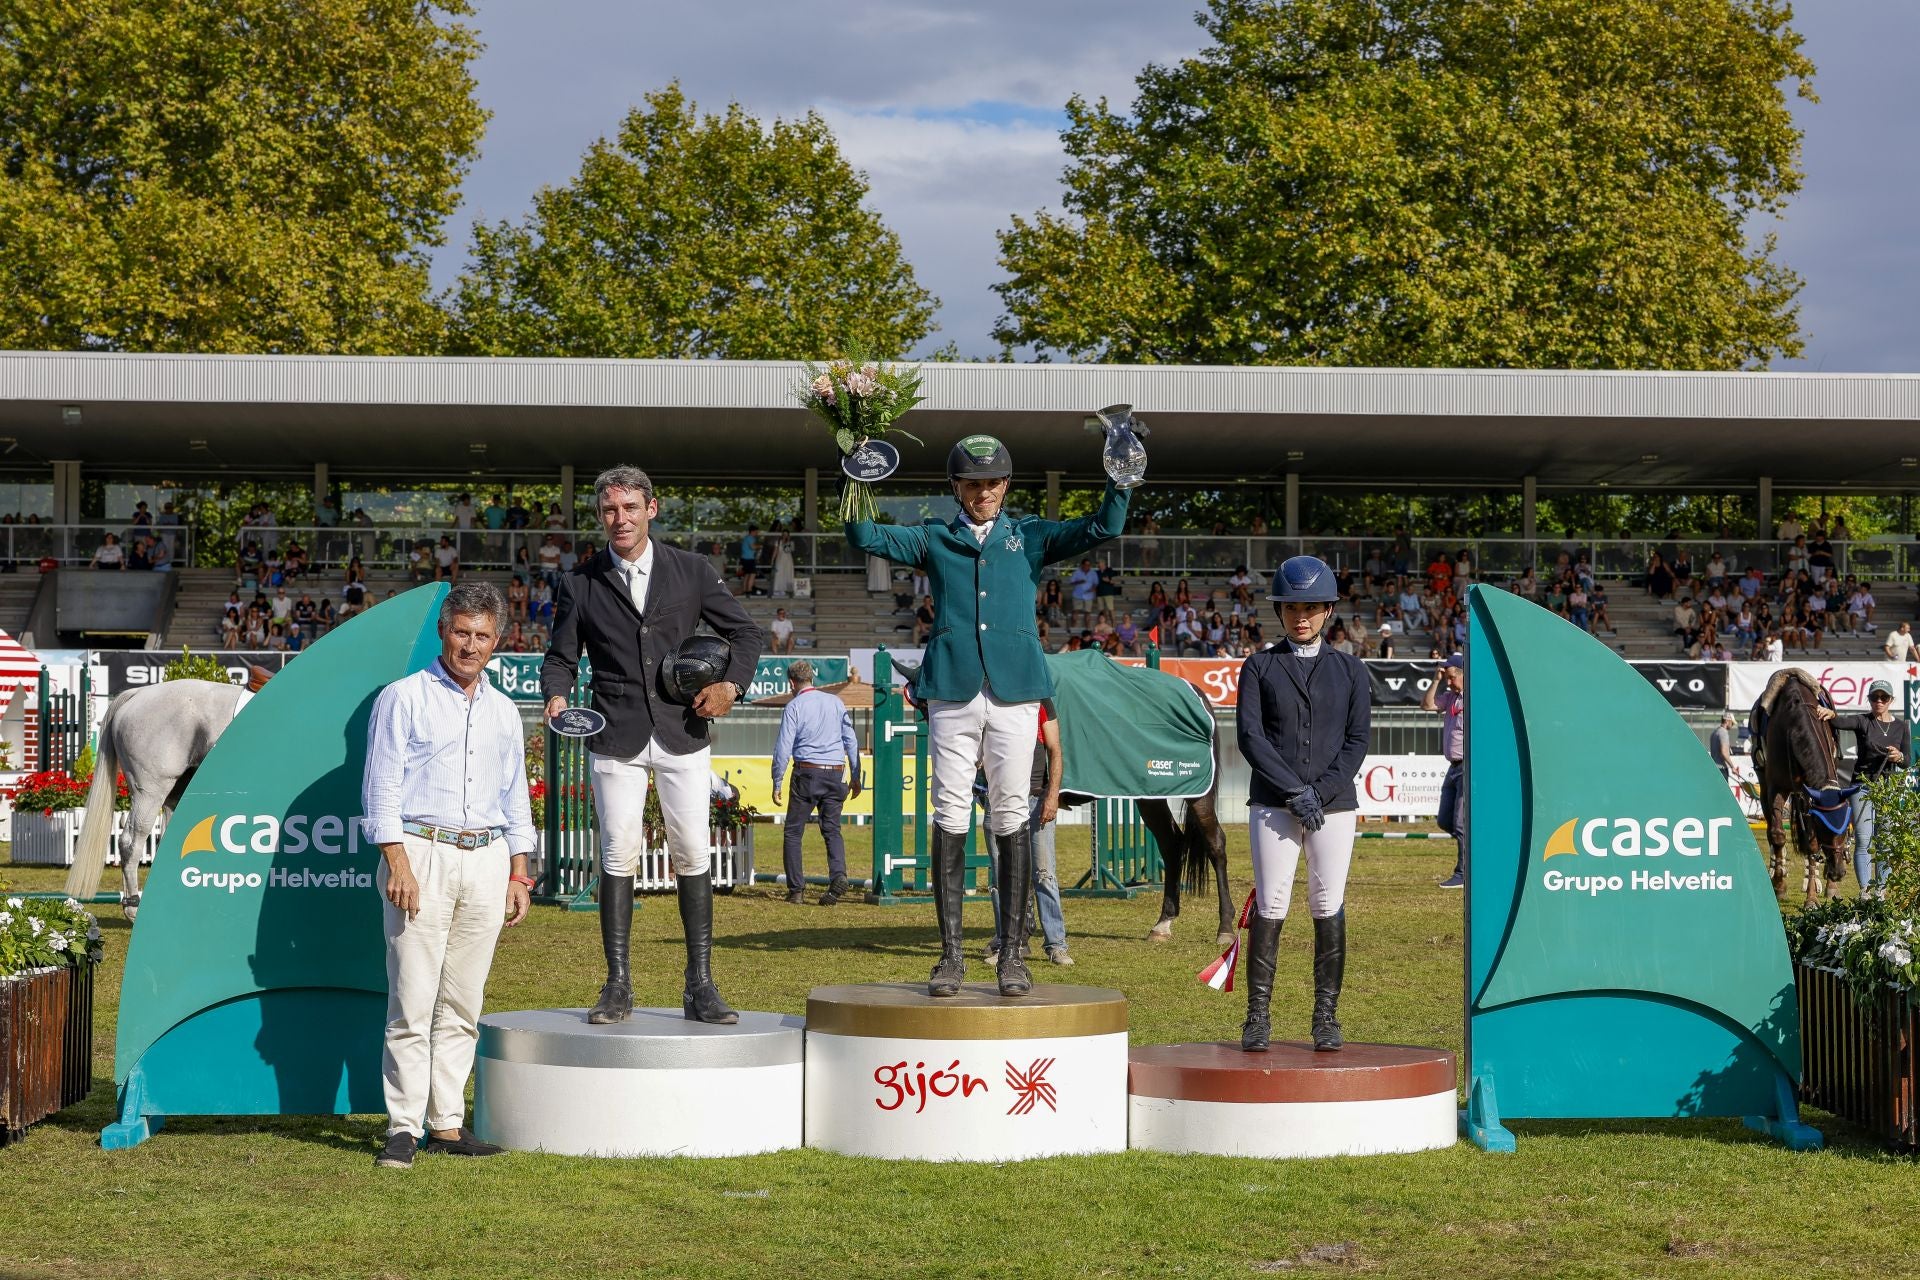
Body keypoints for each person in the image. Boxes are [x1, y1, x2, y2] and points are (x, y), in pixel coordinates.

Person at [845, 432, 1129, 999]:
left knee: (1009, 813)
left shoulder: (1031, 535)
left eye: (993, 483)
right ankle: (951, 957)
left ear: (1006, 485)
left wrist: (1120, 480)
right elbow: (863, 534)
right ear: (956, 487)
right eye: (973, 484)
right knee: (949, 810)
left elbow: (1104, 528)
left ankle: (1014, 956)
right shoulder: (933, 537)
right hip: (952, 687)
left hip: (1017, 690)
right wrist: (852, 472)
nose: (983, 492)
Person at [541, 465, 764, 1027]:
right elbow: (561, 656)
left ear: (651, 509)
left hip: (682, 732)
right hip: (613, 734)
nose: (620, 519)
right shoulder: (580, 581)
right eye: (610, 510)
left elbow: (746, 634)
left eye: (629, 508)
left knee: (692, 851)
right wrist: (556, 695)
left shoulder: (691, 570)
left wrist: (731, 684)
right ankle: (617, 984)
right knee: (617, 853)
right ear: (600, 516)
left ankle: (701, 985)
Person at [362, 581, 535, 1170]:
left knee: (463, 1001)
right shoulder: (402, 697)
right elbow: (381, 786)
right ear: (444, 630)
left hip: (486, 858)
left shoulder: (505, 710)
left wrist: (519, 871)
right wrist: (398, 862)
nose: (471, 644)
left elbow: (516, 797)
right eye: (461, 631)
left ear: (498, 640)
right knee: (411, 999)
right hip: (422, 851)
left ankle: (448, 1124)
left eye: (483, 635)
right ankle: (403, 1127)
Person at [1236, 556, 1371, 1053]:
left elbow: (1357, 742)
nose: (1302, 618)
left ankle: (1325, 1017)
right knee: (1272, 902)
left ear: (1328, 610)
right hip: (1274, 801)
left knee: (1326, 902)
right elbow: (1251, 736)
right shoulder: (1260, 665)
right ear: (1281, 610)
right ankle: (1257, 1017)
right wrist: (1295, 791)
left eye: (1312, 608)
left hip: (1333, 805)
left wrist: (1321, 792)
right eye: (1293, 608)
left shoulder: (1351, 670)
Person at [987, 702, 1071, 968]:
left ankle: (1056, 944)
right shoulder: (989, 699)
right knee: (1000, 876)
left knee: (1044, 874)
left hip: (1035, 797)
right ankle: (1007, 943)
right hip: (999, 798)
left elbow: (1055, 751)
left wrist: (1052, 795)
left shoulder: (1040, 701)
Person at [771, 660, 862, 906]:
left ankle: (796, 890)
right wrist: (856, 775)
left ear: (792, 682)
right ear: (812, 678)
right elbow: (850, 740)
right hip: (835, 773)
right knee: (832, 829)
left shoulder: (794, 706)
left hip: (807, 774)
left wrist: (777, 780)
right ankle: (838, 876)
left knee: (793, 832)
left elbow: (783, 748)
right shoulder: (835, 702)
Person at [1822, 680, 1909, 896]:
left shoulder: (1901, 726)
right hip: (1862, 786)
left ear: (1891, 700)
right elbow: (1839, 722)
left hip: (1887, 789)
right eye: (1874, 697)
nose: (1879, 701)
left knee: (1885, 842)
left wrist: (1899, 757)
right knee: (1864, 839)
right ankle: (1865, 891)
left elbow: (1908, 761)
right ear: (1869, 699)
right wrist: (1829, 712)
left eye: (1884, 698)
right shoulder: (1863, 721)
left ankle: (1880, 891)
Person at [1422, 654, 1466, 889]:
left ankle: (1463, 874)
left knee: (1460, 824)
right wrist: (1436, 679)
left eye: (1451, 678)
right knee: (1444, 821)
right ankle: (1474, 854)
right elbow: (1427, 705)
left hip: (1468, 766)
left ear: (1462, 674)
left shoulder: (1473, 698)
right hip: (1453, 767)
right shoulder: (1450, 697)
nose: (1449, 682)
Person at [1710, 712, 1736, 782]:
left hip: (1714, 768)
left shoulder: (1715, 732)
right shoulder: (1724, 733)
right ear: (1727, 721)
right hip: (1721, 768)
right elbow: (1724, 753)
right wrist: (1732, 767)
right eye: (1732, 723)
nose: (1732, 725)